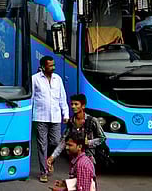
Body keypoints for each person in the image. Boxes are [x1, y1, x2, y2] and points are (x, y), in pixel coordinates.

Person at [32, 55, 70, 183]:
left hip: (55, 117)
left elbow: (62, 98)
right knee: (42, 144)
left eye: (54, 65)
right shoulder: (35, 79)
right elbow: (31, 99)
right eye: (50, 66)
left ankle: (49, 160)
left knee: (55, 142)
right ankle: (44, 171)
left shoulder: (57, 79)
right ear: (43, 67)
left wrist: (66, 114)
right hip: (40, 117)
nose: (53, 67)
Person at [47, 94, 106, 171]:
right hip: (74, 158)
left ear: (83, 106)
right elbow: (63, 142)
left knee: (87, 180)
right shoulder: (71, 122)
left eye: (76, 104)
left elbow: (102, 138)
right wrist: (52, 157)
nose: (73, 107)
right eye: (72, 104)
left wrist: (89, 142)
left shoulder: (92, 121)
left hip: (88, 158)